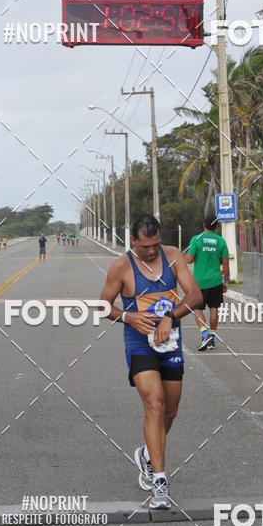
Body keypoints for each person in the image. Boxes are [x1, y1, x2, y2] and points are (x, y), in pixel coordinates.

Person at [99, 213, 202, 509]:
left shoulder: (173, 257)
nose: (152, 251)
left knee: (170, 410)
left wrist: (171, 316)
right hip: (139, 343)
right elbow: (103, 305)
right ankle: (159, 481)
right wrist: (128, 317)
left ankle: (146, 453)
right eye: (145, 246)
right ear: (133, 241)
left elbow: (195, 296)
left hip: (170, 342)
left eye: (156, 244)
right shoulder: (122, 266)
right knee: (154, 403)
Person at [186, 214, 230, 351]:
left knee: (197, 309)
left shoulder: (196, 239)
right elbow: (226, 264)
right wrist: (226, 281)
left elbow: (189, 260)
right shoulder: (221, 241)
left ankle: (205, 335)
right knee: (214, 309)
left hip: (199, 282)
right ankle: (212, 337)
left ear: (204, 225)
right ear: (216, 226)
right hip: (216, 281)